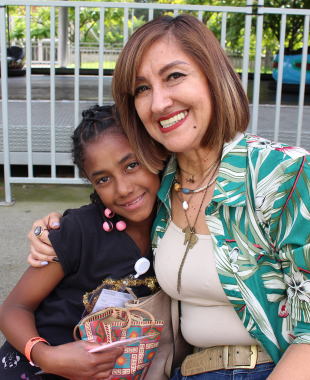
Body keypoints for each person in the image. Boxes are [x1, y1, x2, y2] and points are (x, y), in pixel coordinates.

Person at [27, 15, 310, 380]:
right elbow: (103, 212)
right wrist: (48, 229)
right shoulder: (162, 181)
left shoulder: (281, 172)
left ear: (213, 76)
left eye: (174, 76)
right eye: (142, 88)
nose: (159, 103)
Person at [0, 104, 160, 380]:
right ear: (91, 183)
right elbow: (14, 308)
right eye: (103, 178)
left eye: (132, 165)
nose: (123, 189)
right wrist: (46, 356)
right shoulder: (77, 231)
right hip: (37, 369)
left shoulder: (176, 229)